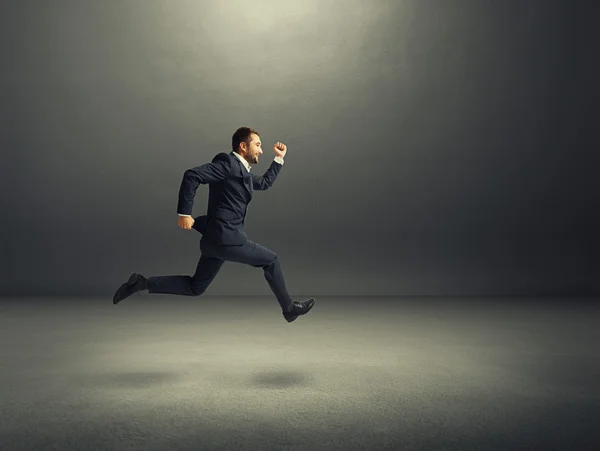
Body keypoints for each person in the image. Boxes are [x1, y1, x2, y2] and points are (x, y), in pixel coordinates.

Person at [112, 127, 315, 323]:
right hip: (227, 240)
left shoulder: (242, 173)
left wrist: (279, 158)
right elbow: (192, 175)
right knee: (271, 261)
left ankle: (141, 283)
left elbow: (263, 183)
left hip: (213, 242)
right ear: (243, 147)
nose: (261, 150)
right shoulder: (228, 164)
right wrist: (185, 213)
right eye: (258, 145)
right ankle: (289, 310)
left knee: (195, 287)